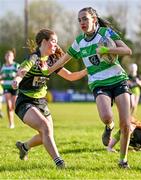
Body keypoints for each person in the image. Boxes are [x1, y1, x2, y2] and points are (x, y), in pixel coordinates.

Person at [44, 7, 132, 168]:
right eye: (79, 20)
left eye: (85, 18)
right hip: (98, 83)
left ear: (94, 19)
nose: (82, 22)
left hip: (119, 79)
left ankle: (123, 161)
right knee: (106, 116)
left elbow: (127, 50)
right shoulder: (79, 42)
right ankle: (109, 126)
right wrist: (47, 71)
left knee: (126, 124)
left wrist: (107, 50)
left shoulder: (106, 33)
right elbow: (63, 60)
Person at [12, 29, 87, 169]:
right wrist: (17, 79)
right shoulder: (34, 58)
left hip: (41, 102)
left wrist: (88, 69)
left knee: (46, 134)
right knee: (45, 128)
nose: (56, 45)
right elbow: (22, 70)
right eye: (53, 41)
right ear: (44, 42)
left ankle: (24, 147)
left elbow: (70, 76)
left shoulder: (52, 60)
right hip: (25, 102)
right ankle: (59, 162)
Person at [0, 50, 20, 128]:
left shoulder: (16, 66)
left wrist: (14, 75)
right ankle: (11, 123)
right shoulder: (3, 66)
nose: (8, 57)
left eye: (10, 55)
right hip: (6, 87)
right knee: (9, 105)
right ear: (5, 57)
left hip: (14, 87)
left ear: (13, 57)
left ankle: (21, 118)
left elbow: (20, 75)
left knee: (14, 106)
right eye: (7, 55)